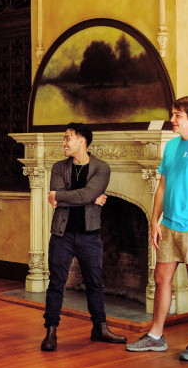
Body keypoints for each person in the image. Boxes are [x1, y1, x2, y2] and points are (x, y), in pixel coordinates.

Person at [38, 123, 124, 351]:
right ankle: (51, 331)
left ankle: (100, 328)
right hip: (61, 234)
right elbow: (61, 198)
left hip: (89, 235)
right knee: (56, 283)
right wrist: (91, 199)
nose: (64, 143)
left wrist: (67, 197)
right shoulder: (58, 168)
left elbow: (65, 196)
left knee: (95, 283)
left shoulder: (102, 168)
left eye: (68, 138)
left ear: (82, 141)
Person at [127, 97, 188, 360]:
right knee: (161, 280)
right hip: (168, 224)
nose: (172, 119)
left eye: (178, 115)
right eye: (172, 114)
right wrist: (154, 221)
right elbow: (161, 186)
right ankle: (156, 336)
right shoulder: (170, 146)